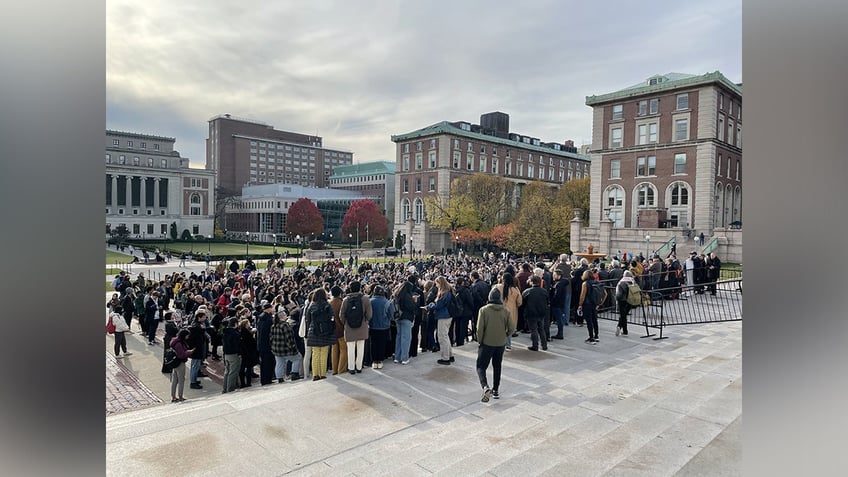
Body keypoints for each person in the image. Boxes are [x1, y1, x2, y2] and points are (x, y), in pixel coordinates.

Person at [476, 288, 514, 403]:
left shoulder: (484, 310)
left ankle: (485, 386)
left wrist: (480, 340)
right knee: (497, 366)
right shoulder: (505, 311)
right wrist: (505, 335)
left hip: (487, 343)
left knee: (481, 367)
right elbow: (512, 328)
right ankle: (496, 390)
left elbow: (479, 329)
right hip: (500, 343)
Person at [341, 281, 372, 374]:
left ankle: (351, 368)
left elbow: (341, 314)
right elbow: (369, 314)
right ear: (360, 288)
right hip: (362, 327)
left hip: (349, 327)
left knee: (350, 348)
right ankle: (359, 366)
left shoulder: (346, 300)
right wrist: (365, 321)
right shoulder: (365, 299)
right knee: (360, 347)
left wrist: (345, 323)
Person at [305, 288, 335, 380]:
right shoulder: (327, 305)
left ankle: (315, 374)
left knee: (315, 353)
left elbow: (308, 319)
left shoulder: (311, 305)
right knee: (324, 353)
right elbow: (332, 318)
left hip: (313, 331)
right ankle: (323, 373)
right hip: (325, 331)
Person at [426, 276, 454, 365]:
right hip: (447, 315)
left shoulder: (444, 293)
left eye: (437, 283)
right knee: (445, 336)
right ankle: (449, 355)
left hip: (443, 316)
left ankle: (445, 358)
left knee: (442, 337)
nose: (436, 285)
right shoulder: (448, 291)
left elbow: (439, 305)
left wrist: (430, 306)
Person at [270, 310, 302, 383]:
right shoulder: (285, 325)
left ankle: (279, 378)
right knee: (297, 358)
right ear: (282, 317)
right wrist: (293, 348)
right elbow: (289, 338)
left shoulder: (273, 326)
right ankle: (294, 373)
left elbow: (271, 338)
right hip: (286, 348)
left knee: (279, 363)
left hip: (276, 348)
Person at [493, 272, 522, 350]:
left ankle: (498, 343)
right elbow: (520, 302)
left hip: (498, 310)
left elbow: (491, 297)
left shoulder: (497, 287)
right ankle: (508, 345)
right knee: (508, 329)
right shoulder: (515, 289)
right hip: (511, 312)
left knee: (499, 327)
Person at [521, 275, 549, 351]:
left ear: (532, 282)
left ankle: (535, 345)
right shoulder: (544, 291)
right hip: (541, 312)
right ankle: (544, 345)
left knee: (534, 330)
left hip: (531, 313)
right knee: (541, 329)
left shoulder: (527, 291)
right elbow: (547, 301)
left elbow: (522, 303)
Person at [393, 280, 417, 365]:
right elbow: (412, 307)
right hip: (406, 318)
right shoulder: (407, 296)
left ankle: (397, 357)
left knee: (398, 338)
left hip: (398, 318)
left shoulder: (397, 294)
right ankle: (404, 358)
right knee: (406, 338)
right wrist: (414, 301)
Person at [578, 270, 605, 344]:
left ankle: (591, 337)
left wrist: (580, 304)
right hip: (595, 304)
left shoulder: (585, 284)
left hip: (587, 304)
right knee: (594, 320)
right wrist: (599, 303)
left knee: (589, 321)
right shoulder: (597, 282)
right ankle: (596, 336)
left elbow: (582, 296)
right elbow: (605, 294)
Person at [368, 285, 391, 369]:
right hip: (384, 326)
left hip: (373, 326)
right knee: (382, 344)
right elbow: (390, 315)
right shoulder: (387, 302)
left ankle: (374, 361)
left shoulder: (370, 301)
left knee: (373, 344)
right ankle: (380, 360)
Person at [187, 308, 210, 389]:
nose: (205, 318)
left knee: (196, 365)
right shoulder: (196, 327)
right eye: (203, 317)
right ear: (199, 317)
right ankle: (193, 382)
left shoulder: (198, 325)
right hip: (196, 349)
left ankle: (194, 379)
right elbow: (195, 337)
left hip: (198, 348)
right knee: (195, 366)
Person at [169, 329, 193, 403]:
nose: (188, 337)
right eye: (187, 336)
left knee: (174, 381)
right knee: (181, 380)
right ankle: (180, 396)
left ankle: (173, 396)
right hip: (180, 363)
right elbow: (181, 355)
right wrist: (189, 352)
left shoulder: (174, 341)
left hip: (174, 363)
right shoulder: (179, 344)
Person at [329, 285, 348, 375]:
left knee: (334, 350)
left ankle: (334, 369)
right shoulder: (341, 303)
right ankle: (342, 369)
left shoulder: (329, 303)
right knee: (344, 349)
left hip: (332, 330)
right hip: (340, 329)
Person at [255, 302, 276, 385]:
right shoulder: (268, 319)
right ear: (269, 309)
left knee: (264, 363)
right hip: (267, 344)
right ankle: (268, 379)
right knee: (268, 362)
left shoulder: (261, 318)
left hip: (261, 344)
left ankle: (265, 379)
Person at [221, 317, 242, 393]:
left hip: (226, 353)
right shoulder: (235, 334)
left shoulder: (225, 332)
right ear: (235, 324)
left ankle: (225, 388)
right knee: (233, 372)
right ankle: (230, 389)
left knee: (227, 371)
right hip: (234, 354)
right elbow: (237, 344)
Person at [614, 270, 637, 336]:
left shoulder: (621, 282)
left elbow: (619, 294)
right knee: (624, 315)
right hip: (630, 300)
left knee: (622, 315)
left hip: (622, 300)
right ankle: (624, 330)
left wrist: (616, 298)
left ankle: (620, 327)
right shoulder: (633, 281)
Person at [550, 270, 570, 339]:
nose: (553, 276)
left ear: (559, 276)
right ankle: (560, 333)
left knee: (559, 319)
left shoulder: (559, 284)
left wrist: (552, 301)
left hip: (557, 304)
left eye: (554, 275)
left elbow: (556, 295)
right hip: (560, 303)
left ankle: (560, 334)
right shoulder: (561, 283)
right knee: (559, 319)